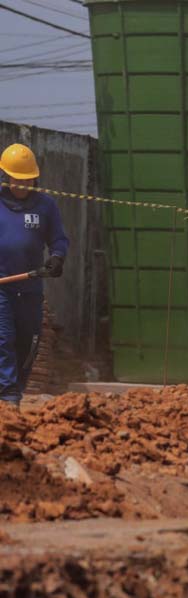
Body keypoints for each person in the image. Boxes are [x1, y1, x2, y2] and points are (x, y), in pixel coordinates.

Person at [0, 143, 68, 407]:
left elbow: (59, 239)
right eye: (17, 181)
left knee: (28, 345)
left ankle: (13, 390)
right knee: (4, 340)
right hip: (2, 288)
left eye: (28, 181)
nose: (22, 186)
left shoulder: (45, 206)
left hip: (30, 288)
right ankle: (8, 398)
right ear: (6, 177)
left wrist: (57, 258)